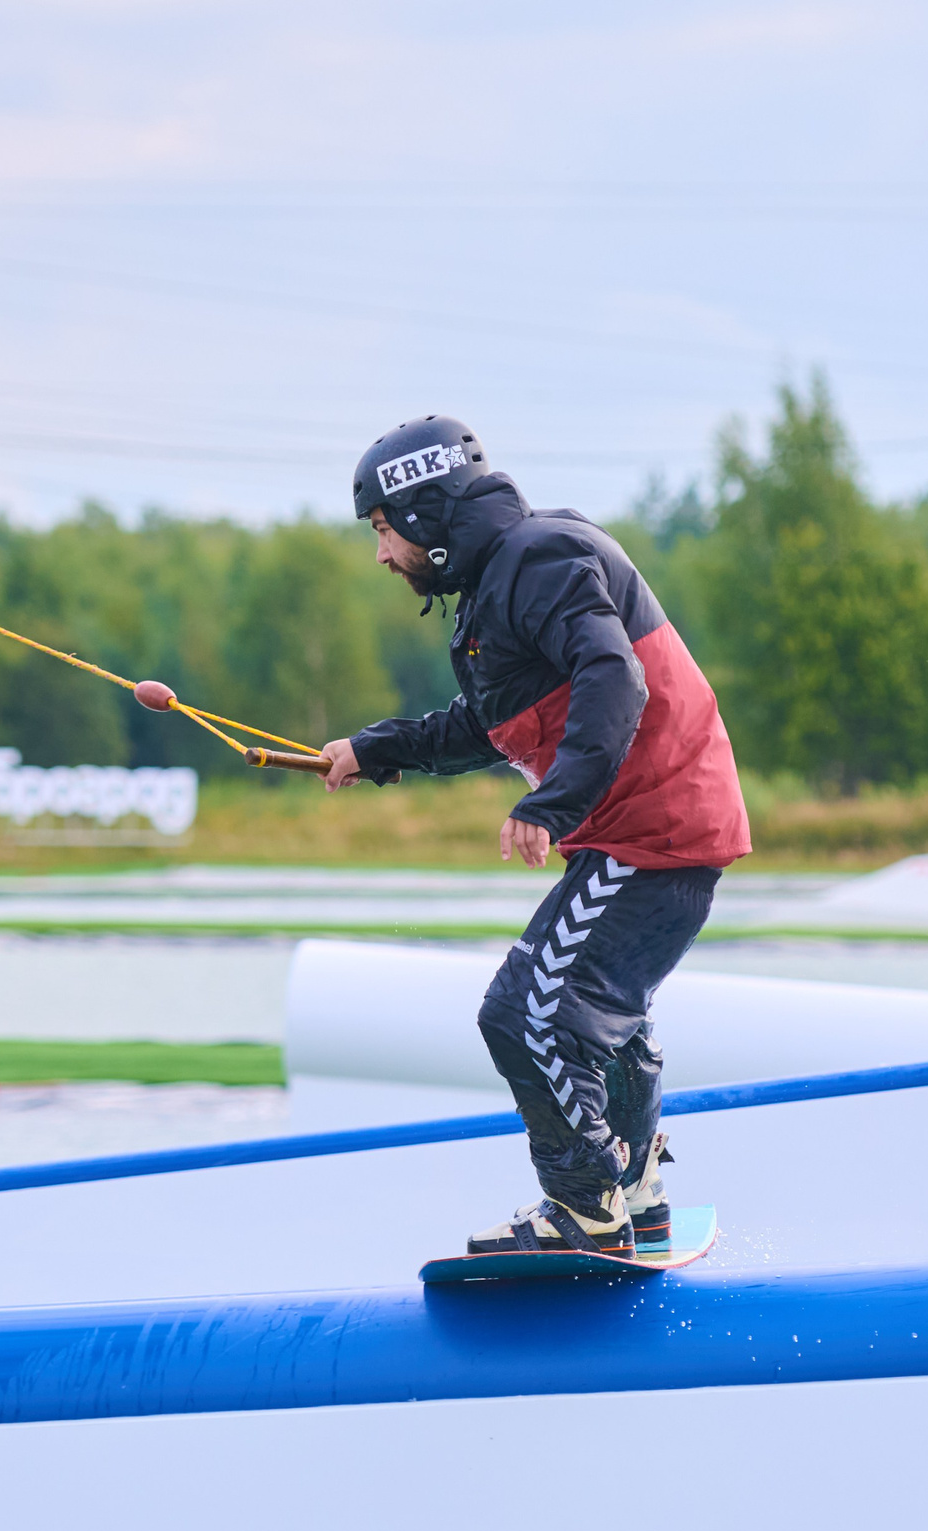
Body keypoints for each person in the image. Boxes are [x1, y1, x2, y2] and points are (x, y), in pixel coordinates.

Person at [319, 415, 751, 1257]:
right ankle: (635, 1192)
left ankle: (584, 1205)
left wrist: (550, 805)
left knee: (525, 1014)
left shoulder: (539, 559)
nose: (381, 554)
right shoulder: (501, 584)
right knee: (597, 1014)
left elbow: (613, 676)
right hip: (652, 833)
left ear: (427, 516)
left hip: (651, 832)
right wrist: (374, 749)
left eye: (383, 529)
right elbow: (490, 724)